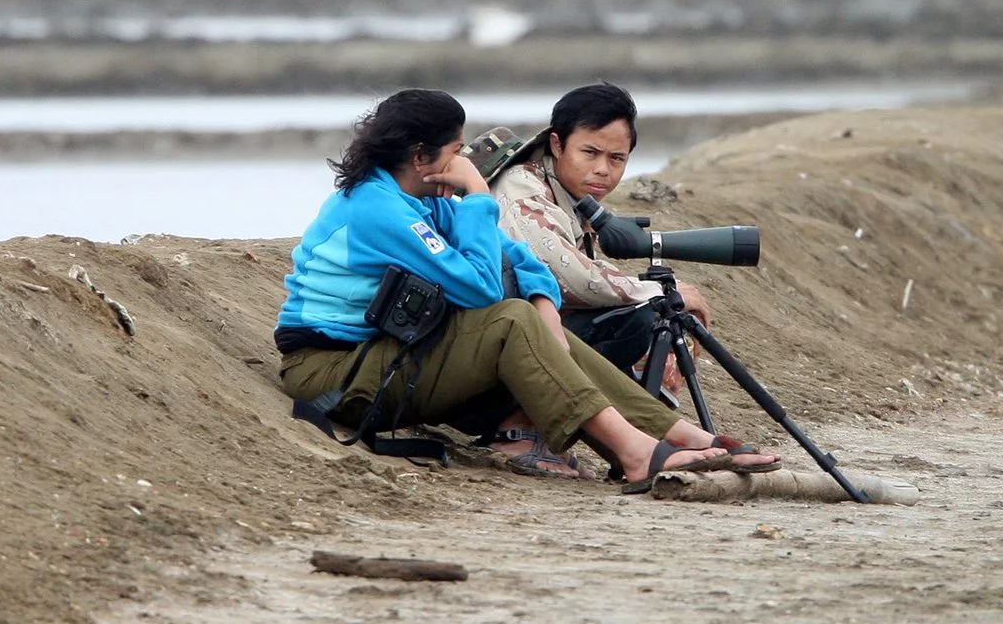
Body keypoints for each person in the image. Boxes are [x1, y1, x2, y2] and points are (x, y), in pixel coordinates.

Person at [274, 88, 777, 490]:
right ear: (421, 155)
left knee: (528, 314)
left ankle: (675, 434)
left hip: (385, 355)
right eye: (456, 151)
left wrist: (545, 304)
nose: (465, 161)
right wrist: (476, 194)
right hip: (333, 372)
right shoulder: (376, 208)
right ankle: (636, 452)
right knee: (509, 318)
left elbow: (517, 256)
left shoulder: (425, 198)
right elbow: (478, 289)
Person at [491, 82, 710, 376]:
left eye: (616, 158)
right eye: (590, 153)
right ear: (557, 145)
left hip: (524, 330)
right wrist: (660, 292)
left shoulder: (568, 191)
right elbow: (567, 275)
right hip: (497, 343)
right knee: (636, 319)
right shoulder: (521, 188)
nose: (603, 169)